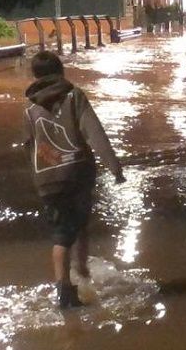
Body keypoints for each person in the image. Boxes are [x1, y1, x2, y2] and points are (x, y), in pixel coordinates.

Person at [23, 51, 125, 309]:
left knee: (61, 232)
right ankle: (76, 279)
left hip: (47, 180)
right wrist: (114, 167)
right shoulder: (74, 96)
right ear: (61, 71)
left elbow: (29, 146)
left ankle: (70, 284)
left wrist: (36, 179)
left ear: (35, 76)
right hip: (77, 174)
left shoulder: (30, 108)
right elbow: (93, 132)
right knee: (76, 226)